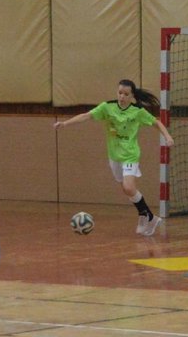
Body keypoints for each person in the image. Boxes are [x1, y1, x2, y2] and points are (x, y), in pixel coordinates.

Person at [55, 79, 175, 235]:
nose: (122, 97)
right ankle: (148, 216)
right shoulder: (107, 107)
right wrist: (65, 124)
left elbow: (156, 123)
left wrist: (167, 136)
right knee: (126, 189)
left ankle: (147, 216)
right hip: (114, 156)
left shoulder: (137, 111)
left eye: (126, 94)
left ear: (132, 96)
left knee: (129, 187)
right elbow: (86, 116)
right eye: (120, 93)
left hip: (130, 155)